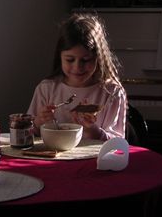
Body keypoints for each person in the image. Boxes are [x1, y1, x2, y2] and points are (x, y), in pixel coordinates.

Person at [27, 12, 127, 140]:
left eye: (85, 60)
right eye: (70, 60)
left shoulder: (111, 92)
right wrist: (37, 122)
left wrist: (93, 131)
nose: (77, 67)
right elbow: (26, 133)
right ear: (60, 57)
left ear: (98, 58)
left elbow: (118, 142)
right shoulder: (46, 89)